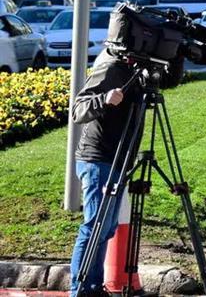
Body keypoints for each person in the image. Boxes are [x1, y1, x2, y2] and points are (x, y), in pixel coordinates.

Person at [69, 49, 137, 297]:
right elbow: (78, 109)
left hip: (118, 160)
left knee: (107, 228)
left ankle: (94, 287)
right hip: (98, 159)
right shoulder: (110, 69)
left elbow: (171, 81)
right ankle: (80, 290)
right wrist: (105, 98)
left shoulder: (138, 73)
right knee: (95, 226)